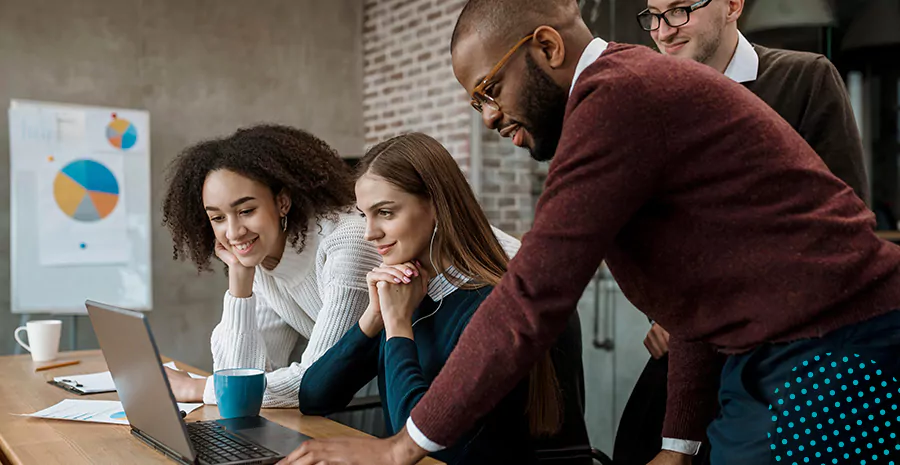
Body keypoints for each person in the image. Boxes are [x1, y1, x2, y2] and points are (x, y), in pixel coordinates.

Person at [277, 1, 900, 464]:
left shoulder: (617, 98)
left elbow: (533, 297)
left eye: (490, 90)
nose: (491, 116)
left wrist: (396, 452)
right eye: (476, 105)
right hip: (773, 357)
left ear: (546, 47)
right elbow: (698, 295)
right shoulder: (622, 98)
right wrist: (678, 446)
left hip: (838, 352)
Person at [614, 1, 871, 463]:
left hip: (788, 357)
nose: (662, 31)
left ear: (732, 5)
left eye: (678, 10)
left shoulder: (803, 79)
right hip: (687, 355)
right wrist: (662, 311)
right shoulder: (645, 102)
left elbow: (845, 232)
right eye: (651, 15)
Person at [296, 132, 590, 465]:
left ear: (436, 205)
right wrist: (374, 317)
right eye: (365, 215)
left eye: (386, 213)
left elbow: (426, 443)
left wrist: (397, 325)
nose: (370, 233)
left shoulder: (494, 305)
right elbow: (314, 396)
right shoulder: (410, 294)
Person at [160, 124, 384, 407]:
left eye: (246, 211)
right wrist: (240, 281)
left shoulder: (346, 243)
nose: (233, 232)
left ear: (282, 202)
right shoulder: (264, 258)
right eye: (217, 218)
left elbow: (317, 377)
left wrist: (199, 388)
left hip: (394, 402)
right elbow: (244, 377)